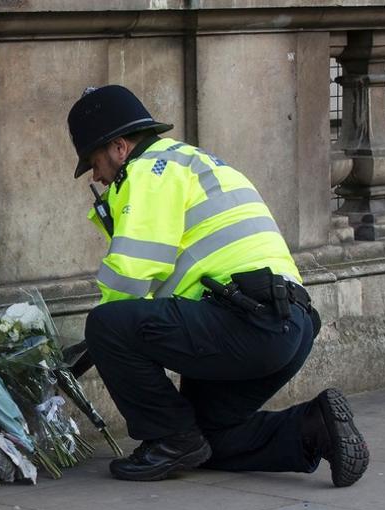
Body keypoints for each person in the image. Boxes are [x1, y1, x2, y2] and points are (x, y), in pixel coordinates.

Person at [66, 84, 369, 485]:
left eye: (94, 160)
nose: (96, 175)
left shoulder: (149, 172)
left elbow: (131, 275)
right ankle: (316, 427)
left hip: (245, 322)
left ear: (120, 148)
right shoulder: (193, 162)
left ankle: (169, 438)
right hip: (290, 324)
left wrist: (92, 345)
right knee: (207, 439)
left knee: (107, 324)